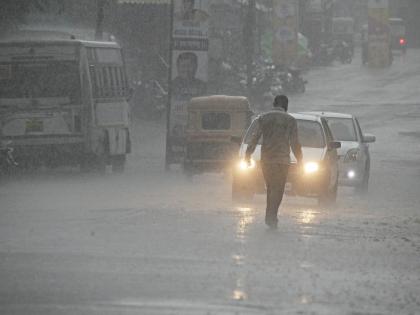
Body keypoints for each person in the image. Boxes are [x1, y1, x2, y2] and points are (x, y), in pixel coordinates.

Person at [245, 95, 303, 229]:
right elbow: (295, 143)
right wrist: (300, 159)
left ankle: (270, 215)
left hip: (266, 160)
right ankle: (271, 215)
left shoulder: (263, 118)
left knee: (270, 187)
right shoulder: (290, 120)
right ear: (286, 106)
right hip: (282, 161)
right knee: (279, 189)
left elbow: (254, 138)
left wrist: (248, 154)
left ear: (274, 103)